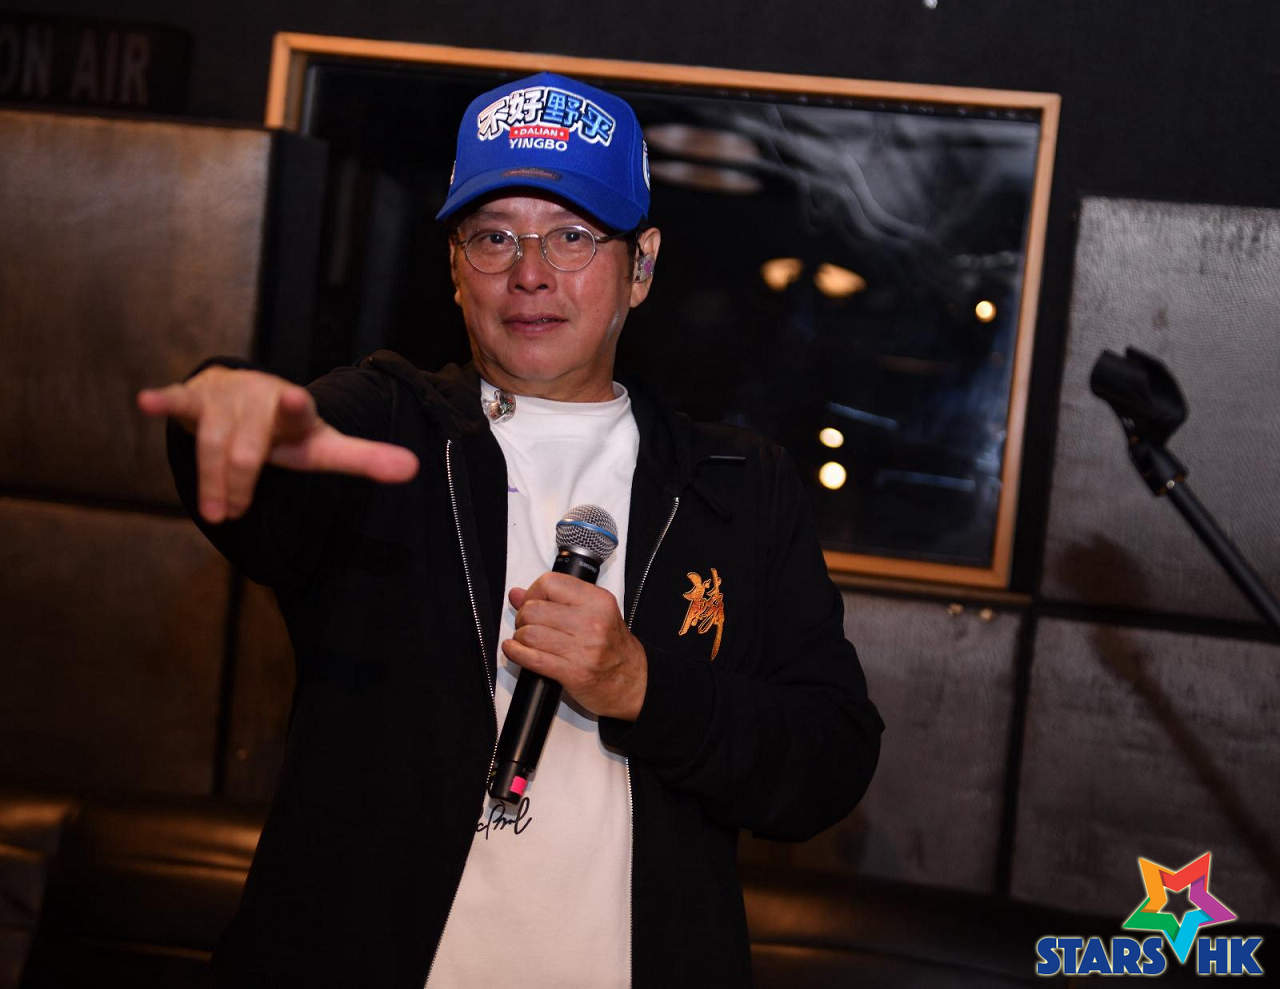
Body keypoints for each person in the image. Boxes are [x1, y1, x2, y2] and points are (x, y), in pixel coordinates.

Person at [138, 72, 882, 989]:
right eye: (494, 237)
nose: (530, 273)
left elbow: (829, 760)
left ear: (641, 265)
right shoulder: (390, 427)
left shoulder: (735, 487)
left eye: (572, 236)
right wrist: (230, 411)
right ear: (456, 269)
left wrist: (643, 684)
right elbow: (273, 484)